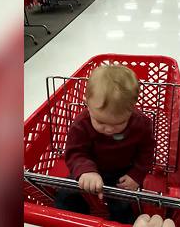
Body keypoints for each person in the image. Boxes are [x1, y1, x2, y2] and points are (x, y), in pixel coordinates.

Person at [55, 65, 156, 224]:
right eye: (100, 121)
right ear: (87, 104)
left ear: (132, 109)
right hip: (89, 168)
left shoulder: (141, 124)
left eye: (119, 123)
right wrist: (85, 171)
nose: (109, 129)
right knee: (65, 197)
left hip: (123, 174)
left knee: (123, 204)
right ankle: (74, 221)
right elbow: (75, 152)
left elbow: (147, 152)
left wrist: (136, 175)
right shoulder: (81, 124)